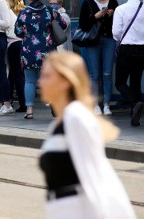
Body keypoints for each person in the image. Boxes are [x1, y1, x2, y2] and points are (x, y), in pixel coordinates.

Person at [38, 51, 136, 219]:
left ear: (66, 82)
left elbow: (93, 177)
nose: (41, 82)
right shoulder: (58, 123)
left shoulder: (76, 118)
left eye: (47, 76)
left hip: (79, 211)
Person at [15, 0, 68, 119]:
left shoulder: (23, 12)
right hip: (48, 51)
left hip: (28, 53)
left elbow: (17, 31)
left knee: (30, 81)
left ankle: (29, 111)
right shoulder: (49, 10)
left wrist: (28, 35)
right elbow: (62, 24)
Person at [78, 0, 119, 116]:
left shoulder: (113, 2)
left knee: (107, 73)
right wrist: (95, 16)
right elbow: (82, 23)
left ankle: (107, 104)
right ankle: (95, 104)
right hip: (92, 41)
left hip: (109, 39)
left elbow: (118, 23)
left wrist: (112, 15)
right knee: (95, 74)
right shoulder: (88, 3)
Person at [6, 0, 27, 112]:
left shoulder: (8, 14)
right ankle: (25, 103)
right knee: (23, 75)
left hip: (13, 44)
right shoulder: (25, 13)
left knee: (15, 75)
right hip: (25, 45)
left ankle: (19, 103)